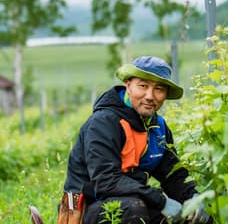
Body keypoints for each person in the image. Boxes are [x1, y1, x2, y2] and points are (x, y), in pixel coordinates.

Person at [58, 56, 212, 224]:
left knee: (193, 214)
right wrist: (162, 201)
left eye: (159, 89)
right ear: (128, 85)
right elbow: (105, 181)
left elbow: (173, 175)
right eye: (143, 86)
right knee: (135, 209)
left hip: (130, 199)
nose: (150, 96)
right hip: (82, 208)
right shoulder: (104, 122)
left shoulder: (158, 127)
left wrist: (194, 198)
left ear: (166, 94)